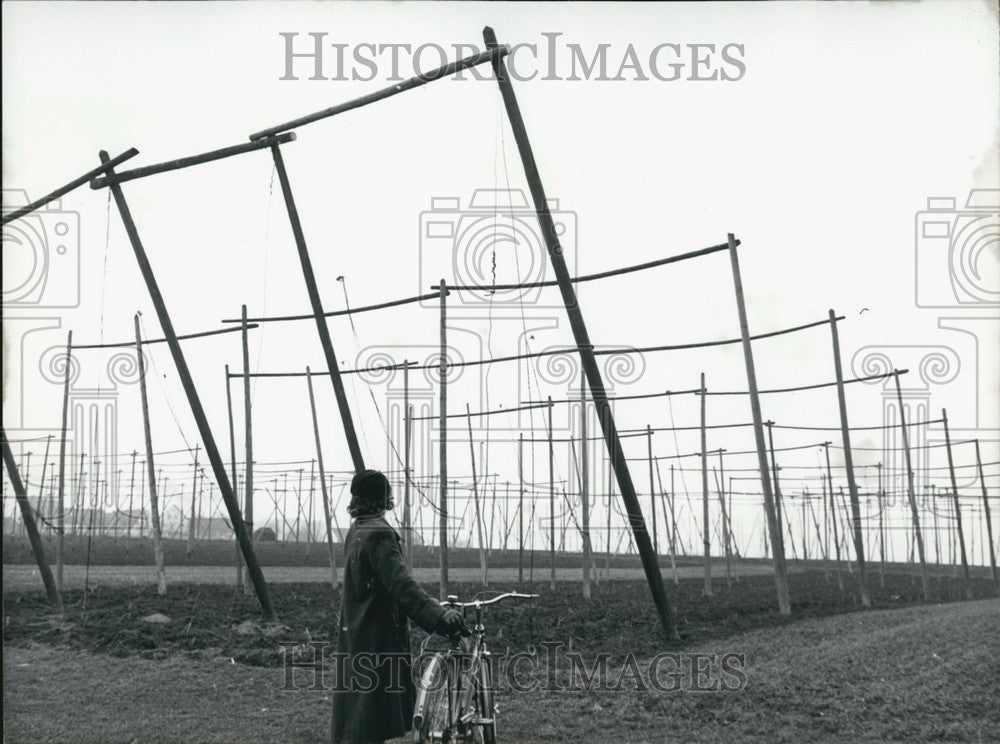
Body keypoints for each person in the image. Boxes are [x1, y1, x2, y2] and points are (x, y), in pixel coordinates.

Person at [331, 469, 467, 744]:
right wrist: (440, 617)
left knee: (360, 714)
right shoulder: (380, 534)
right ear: (384, 498)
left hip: (356, 632)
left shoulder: (357, 530)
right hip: (377, 637)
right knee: (372, 715)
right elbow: (401, 585)